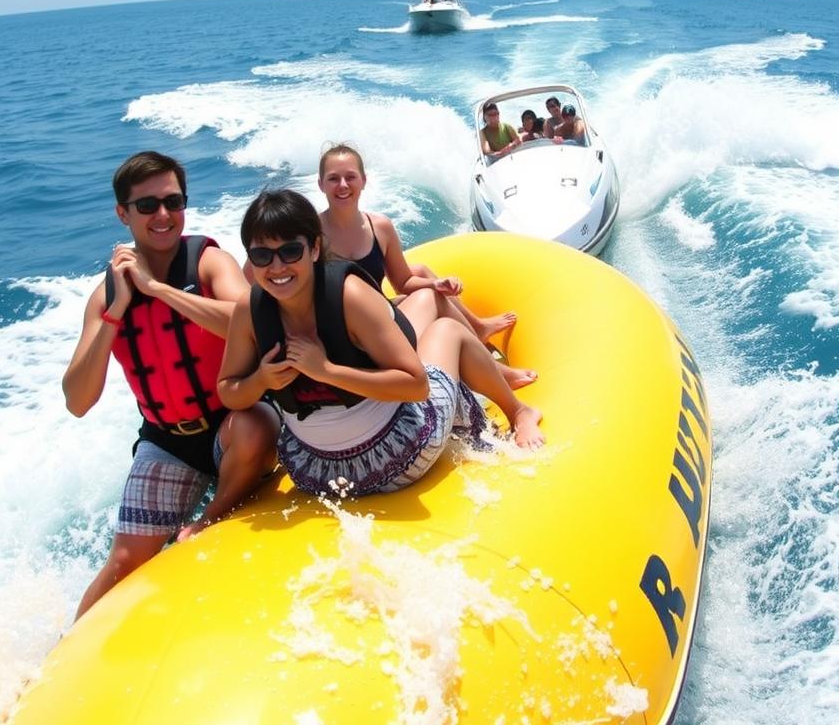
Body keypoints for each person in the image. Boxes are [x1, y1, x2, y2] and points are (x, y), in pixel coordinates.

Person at [62, 151, 279, 618]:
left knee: (255, 425)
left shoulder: (209, 263)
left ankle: (209, 519)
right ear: (123, 213)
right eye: (147, 205)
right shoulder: (105, 296)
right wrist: (116, 311)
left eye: (173, 202)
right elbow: (78, 401)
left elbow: (255, 324)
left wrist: (158, 290)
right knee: (124, 562)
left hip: (231, 421)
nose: (163, 215)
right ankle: (58, 663)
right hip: (167, 440)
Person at [218, 190, 544, 498]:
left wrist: (327, 371)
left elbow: (415, 386)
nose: (276, 267)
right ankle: (512, 398)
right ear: (250, 259)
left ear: (315, 249)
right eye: (262, 255)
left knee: (434, 320)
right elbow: (228, 389)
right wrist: (261, 379)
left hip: (386, 452)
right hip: (324, 469)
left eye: (290, 251)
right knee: (447, 329)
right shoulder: (250, 310)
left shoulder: (350, 296)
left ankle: (520, 412)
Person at [317, 144, 536, 390]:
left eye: (350, 177)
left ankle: (481, 340)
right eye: (333, 178)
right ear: (321, 185)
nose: (343, 185)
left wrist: (436, 283)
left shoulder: (380, 227)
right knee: (432, 299)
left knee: (429, 287)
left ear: (364, 181)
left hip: (384, 316)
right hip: (357, 337)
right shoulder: (312, 236)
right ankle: (496, 368)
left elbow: (402, 282)